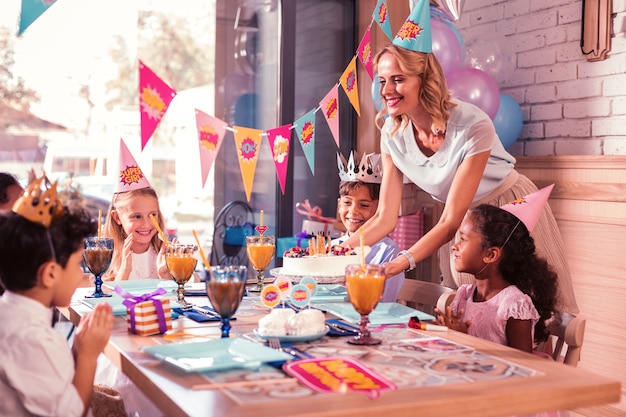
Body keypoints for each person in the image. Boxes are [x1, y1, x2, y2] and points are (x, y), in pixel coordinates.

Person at [340, 0, 578, 314]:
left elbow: (450, 220)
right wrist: (342, 248)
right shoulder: (391, 134)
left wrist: (401, 262)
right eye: (382, 80)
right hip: (466, 225)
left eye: (398, 79)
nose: (386, 90)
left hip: (509, 212)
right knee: (475, 317)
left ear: (424, 79)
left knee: (534, 313)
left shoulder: (472, 124)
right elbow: (385, 216)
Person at [0, 174, 114, 417]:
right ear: (50, 274)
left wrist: (77, 349)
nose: (78, 274)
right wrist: (88, 356)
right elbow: (73, 413)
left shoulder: (9, 314)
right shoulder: (32, 339)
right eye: (76, 265)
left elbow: (52, 383)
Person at [434, 203, 558, 353]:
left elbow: (522, 364)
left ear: (490, 255)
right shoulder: (464, 295)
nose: (455, 246)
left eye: (463, 239)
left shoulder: (513, 305)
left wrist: (465, 340)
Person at [333, 152, 404, 302]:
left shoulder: (389, 252)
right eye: (347, 203)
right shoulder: (332, 247)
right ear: (339, 205)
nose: (353, 211)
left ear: (379, 209)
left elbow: (385, 302)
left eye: (364, 205)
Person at [103, 139, 171, 281]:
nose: (146, 224)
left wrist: (169, 274)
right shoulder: (107, 257)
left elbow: (194, 281)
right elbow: (108, 298)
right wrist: (124, 271)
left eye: (152, 215)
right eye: (137, 216)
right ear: (117, 217)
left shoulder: (164, 253)